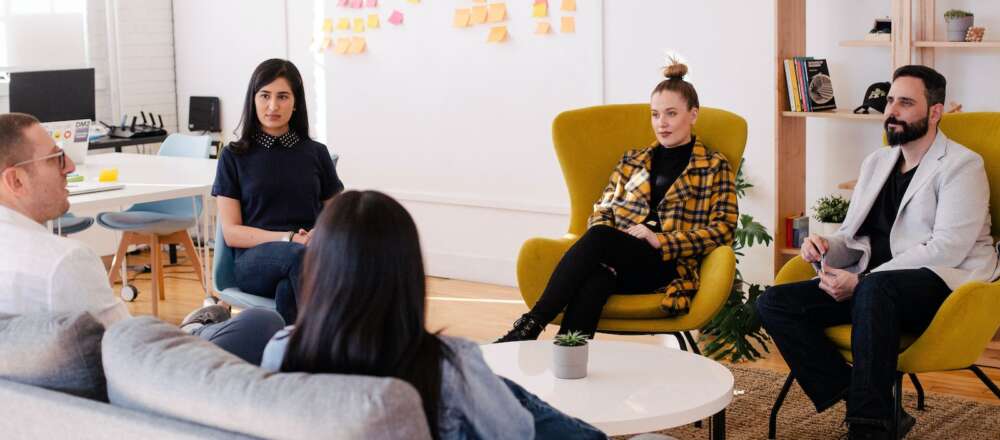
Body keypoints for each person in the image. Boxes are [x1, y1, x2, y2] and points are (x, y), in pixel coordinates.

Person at [757, 65, 1000, 439]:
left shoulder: (961, 165)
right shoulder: (877, 162)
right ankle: (874, 408)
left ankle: (868, 429)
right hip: (873, 289)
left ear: (934, 112)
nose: (892, 111)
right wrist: (825, 245)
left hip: (943, 288)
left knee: (875, 290)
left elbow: (948, 248)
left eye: (905, 102)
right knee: (775, 302)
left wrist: (863, 281)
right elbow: (853, 234)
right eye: (890, 101)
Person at [261, 191, 606, 440]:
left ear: (320, 270)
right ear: (408, 273)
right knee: (507, 394)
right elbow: (515, 432)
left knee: (498, 386)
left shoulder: (280, 350)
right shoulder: (447, 363)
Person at [0, 112, 284, 365]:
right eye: (56, 158)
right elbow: (129, 351)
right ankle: (191, 331)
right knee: (261, 321)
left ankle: (191, 329)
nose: (71, 167)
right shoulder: (63, 262)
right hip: (148, 377)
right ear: (16, 181)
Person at [496, 60, 739, 342]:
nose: (662, 123)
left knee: (600, 238)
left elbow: (724, 229)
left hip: (667, 265)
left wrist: (662, 240)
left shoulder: (713, 166)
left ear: (693, 114)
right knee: (597, 279)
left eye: (671, 114)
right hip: (619, 257)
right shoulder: (632, 160)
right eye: (655, 114)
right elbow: (603, 209)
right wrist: (618, 240)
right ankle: (568, 357)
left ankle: (531, 324)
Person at [212, 58, 343, 324]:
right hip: (254, 262)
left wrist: (321, 232)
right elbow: (232, 233)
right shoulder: (234, 156)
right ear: (253, 100)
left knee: (289, 289)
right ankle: (338, 343)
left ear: (296, 103)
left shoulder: (316, 153)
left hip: (306, 257)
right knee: (301, 257)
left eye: (282, 96)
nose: (273, 106)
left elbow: (340, 215)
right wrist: (290, 238)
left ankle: (291, 357)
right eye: (265, 96)